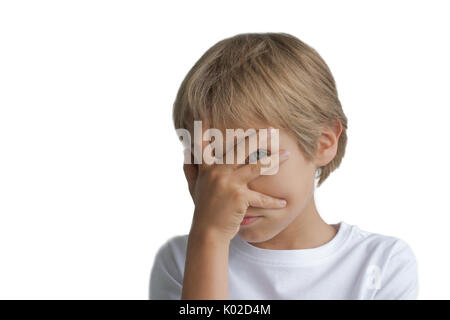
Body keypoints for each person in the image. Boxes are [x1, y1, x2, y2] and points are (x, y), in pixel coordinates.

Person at [149, 32, 419, 300]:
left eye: (255, 156)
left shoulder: (383, 264)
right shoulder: (182, 261)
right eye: (209, 161)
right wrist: (211, 236)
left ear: (322, 143)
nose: (228, 187)